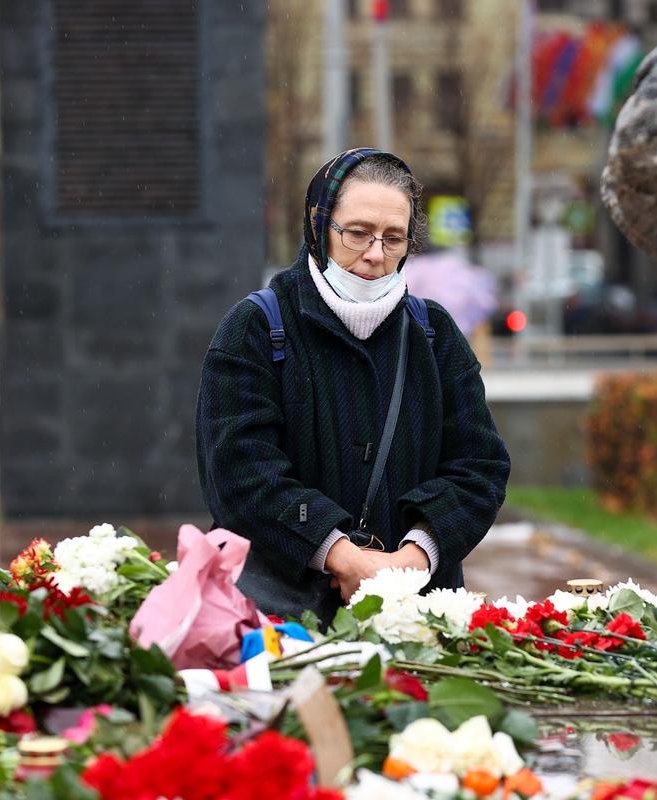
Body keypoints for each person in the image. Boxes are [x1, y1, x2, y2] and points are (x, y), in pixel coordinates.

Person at [196, 148, 510, 626]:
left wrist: (412, 558)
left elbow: (480, 466)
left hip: (416, 615)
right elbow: (239, 471)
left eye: (394, 238)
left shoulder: (434, 333)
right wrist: (340, 554)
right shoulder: (256, 327)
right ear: (320, 227)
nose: (375, 255)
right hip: (281, 618)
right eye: (358, 233)